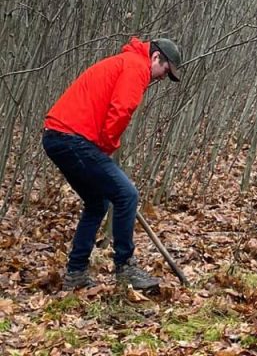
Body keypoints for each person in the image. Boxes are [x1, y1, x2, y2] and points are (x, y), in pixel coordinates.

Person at [42, 37, 182, 290]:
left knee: (98, 202)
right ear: (156, 58)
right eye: (165, 70)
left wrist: (100, 148)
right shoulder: (136, 67)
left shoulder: (126, 63)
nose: (162, 78)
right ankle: (125, 266)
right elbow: (121, 109)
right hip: (70, 137)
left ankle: (76, 273)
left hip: (58, 137)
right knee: (126, 194)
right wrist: (106, 146)